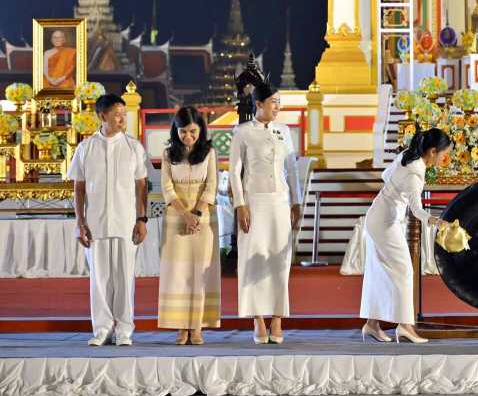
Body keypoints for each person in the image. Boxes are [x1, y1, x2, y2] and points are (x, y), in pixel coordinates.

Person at [69, 94, 150, 346]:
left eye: (124, 114)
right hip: (96, 224)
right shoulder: (86, 148)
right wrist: (80, 222)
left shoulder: (133, 147)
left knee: (124, 279)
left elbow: (141, 186)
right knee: (99, 279)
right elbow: (79, 188)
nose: (122, 119)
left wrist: (142, 219)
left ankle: (124, 330)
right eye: (116, 115)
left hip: (126, 222)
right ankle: (102, 329)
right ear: (102, 116)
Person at [360, 128, 451, 344]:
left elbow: (385, 176)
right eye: (444, 154)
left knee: (380, 271)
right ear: (432, 151)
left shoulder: (407, 156)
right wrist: (438, 222)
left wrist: (394, 192)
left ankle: (372, 324)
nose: (445, 158)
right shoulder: (415, 173)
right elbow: (417, 210)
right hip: (385, 222)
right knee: (404, 271)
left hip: (378, 215)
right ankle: (405, 326)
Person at [229, 81, 303, 344]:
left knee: (279, 260)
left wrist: (296, 201)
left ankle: (277, 318)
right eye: (273, 102)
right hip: (254, 203)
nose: (278, 106)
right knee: (253, 259)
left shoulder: (284, 131)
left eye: (279, 102)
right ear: (258, 104)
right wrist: (240, 205)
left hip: (280, 203)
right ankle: (258, 318)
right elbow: (234, 171)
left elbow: (292, 169)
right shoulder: (242, 132)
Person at [157, 107, 221, 345]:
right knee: (179, 272)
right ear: (175, 130)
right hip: (177, 217)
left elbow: (212, 186)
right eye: (183, 131)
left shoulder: (209, 153)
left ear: (201, 129)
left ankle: (197, 326)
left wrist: (197, 214)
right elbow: (167, 188)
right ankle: (181, 326)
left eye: (193, 131)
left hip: (203, 217)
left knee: (201, 271)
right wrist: (185, 215)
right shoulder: (168, 154)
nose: (188, 136)